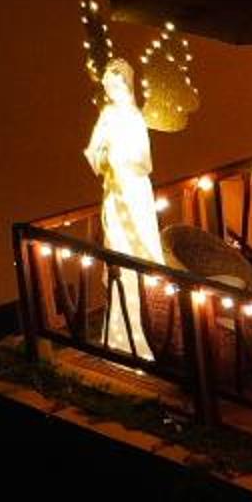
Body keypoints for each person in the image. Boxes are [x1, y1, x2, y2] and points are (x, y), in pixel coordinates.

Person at [81, 59, 163, 359]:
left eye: (118, 85)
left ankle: (154, 324)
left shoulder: (134, 118)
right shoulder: (107, 116)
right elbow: (93, 151)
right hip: (115, 195)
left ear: (127, 85)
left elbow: (144, 161)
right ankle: (121, 333)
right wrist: (102, 156)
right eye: (109, 86)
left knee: (141, 255)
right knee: (120, 257)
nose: (113, 91)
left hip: (134, 193)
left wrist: (120, 158)